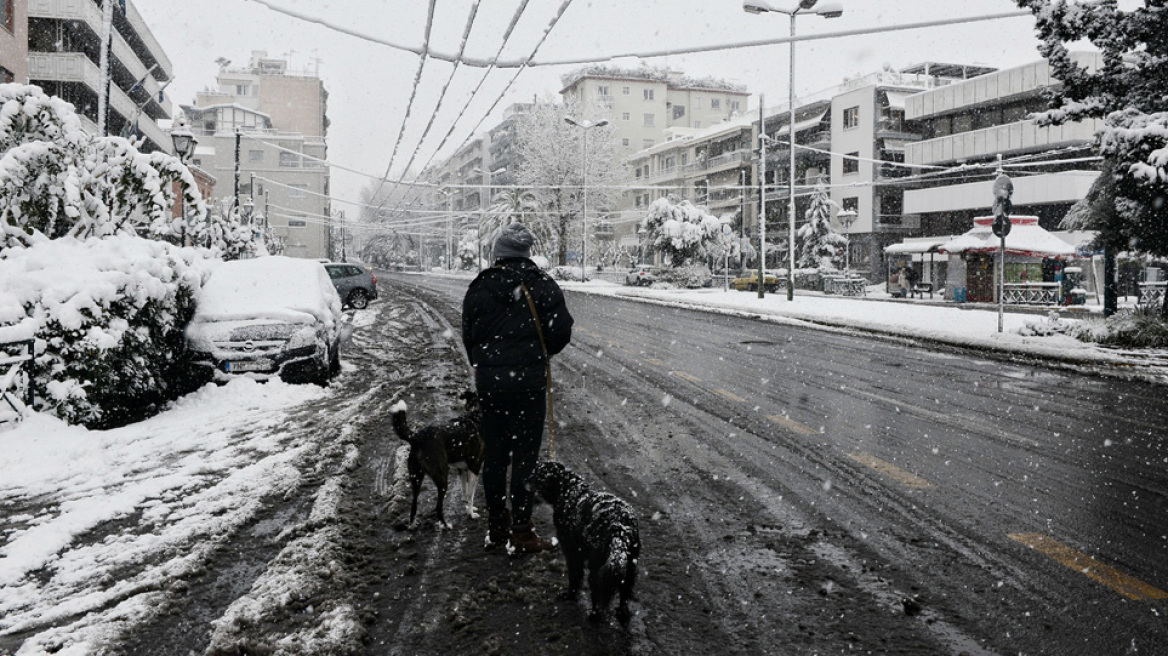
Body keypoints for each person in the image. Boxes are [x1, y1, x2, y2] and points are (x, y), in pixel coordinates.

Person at [462, 223, 574, 555]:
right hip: (529, 384)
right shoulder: (542, 285)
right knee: (526, 458)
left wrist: (485, 363)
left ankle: (497, 528)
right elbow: (561, 330)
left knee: (495, 456)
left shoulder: (481, 287)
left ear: (498, 254)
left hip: (492, 386)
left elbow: (469, 334)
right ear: (526, 253)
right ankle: (522, 532)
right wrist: (540, 353)